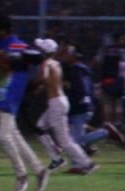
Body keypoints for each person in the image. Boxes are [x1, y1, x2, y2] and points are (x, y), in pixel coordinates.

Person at [0, 17, 49, 191]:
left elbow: (39, 57)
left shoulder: (16, 45)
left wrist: (21, 55)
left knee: (3, 136)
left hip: (12, 95)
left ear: (5, 29)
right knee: (14, 136)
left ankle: (21, 176)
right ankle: (40, 170)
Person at [32, 38, 97, 174]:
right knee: (39, 128)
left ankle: (87, 163)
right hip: (60, 101)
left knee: (65, 140)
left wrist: (32, 84)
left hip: (55, 103)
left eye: (41, 48)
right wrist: (42, 86)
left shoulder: (46, 62)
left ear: (44, 51)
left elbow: (43, 77)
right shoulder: (56, 63)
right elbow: (52, 80)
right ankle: (56, 158)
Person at [60, 44, 124, 155]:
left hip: (80, 106)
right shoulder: (71, 69)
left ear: (75, 56)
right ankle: (88, 149)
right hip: (78, 107)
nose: (64, 56)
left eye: (67, 53)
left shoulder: (78, 70)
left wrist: (75, 103)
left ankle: (105, 132)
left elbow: (83, 90)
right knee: (74, 135)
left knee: (75, 141)